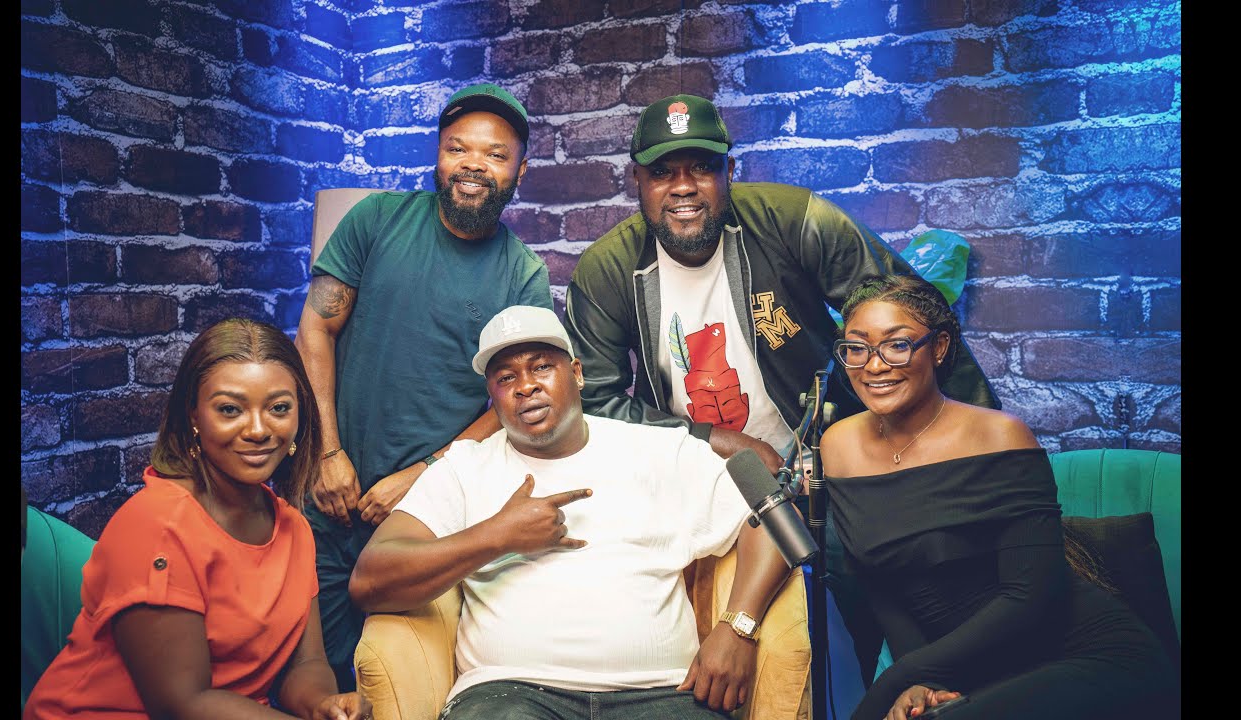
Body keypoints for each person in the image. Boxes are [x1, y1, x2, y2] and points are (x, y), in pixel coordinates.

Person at [562, 93, 1001, 685]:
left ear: (729, 171)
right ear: (636, 181)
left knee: (889, 588)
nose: (683, 187)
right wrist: (716, 440)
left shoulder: (793, 219)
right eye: (662, 172)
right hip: (697, 477)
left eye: (702, 168)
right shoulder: (607, 269)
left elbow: (910, 313)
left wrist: (985, 448)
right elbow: (596, 403)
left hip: (826, 459)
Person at [347, 305, 792, 719]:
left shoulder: (659, 450)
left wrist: (738, 625)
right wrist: (496, 536)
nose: (525, 386)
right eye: (506, 377)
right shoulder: (465, 468)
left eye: (541, 366)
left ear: (577, 373)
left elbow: (770, 516)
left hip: (661, 694)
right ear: (493, 396)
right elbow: (370, 580)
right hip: (509, 695)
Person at [819, 275, 1178, 720]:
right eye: (857, 348)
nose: (874, 366)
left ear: (939, 347)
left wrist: (903, 675)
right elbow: (882, 584)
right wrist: (924, 682)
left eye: (897, 345)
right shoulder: (839, 446)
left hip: (1088, 658)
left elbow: (1029, 597)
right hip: (972, 671)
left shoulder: (999, 435)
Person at [294, 82, 552, 691]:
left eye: (495, 154)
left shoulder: (523, 274)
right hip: (328, 496)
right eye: (458, 148)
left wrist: (423, 477)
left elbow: (511, 401)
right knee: (312, 682)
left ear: (519, 171)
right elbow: (315, 328)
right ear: (438, 155)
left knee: (397, 681)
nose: (473, 165)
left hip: (424, 516)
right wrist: (327, 454)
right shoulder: (376, 219)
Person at [24, 318, 372, 720]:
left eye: (279, 408)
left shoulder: (294, 528)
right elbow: (183, 703)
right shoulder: (157, 525)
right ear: (194, 416)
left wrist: (322, 704)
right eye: (230, 409)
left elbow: (306, 664)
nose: (258, 429)